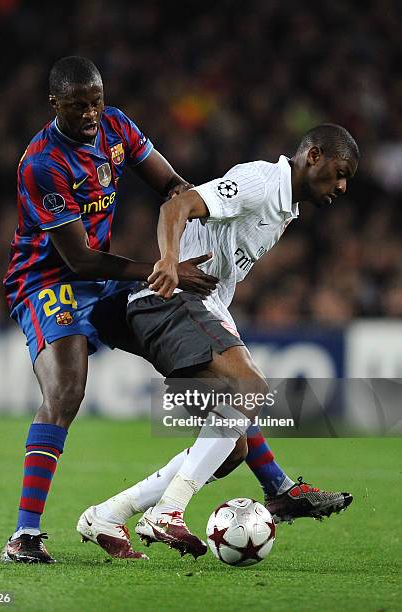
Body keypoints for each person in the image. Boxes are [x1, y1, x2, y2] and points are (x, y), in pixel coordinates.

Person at [78, 123, 358, 559]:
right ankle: (169, 510)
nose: (342, 186)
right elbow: (177, 206)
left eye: (348, 180)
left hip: (193, 309)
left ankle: (109, 514)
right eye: (340, 172)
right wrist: (169, 262)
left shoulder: (284, 210)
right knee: (251, 387)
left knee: (228, 449)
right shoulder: (261, 182)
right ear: (314, 156)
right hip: (168, 300)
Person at [0, 56, 219, 564]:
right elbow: (76, 258)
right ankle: (24, 535)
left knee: (207, 364)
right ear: (55, 104)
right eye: (78, 106)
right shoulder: (41, 164)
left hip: (105, 278)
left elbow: (173, 184)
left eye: (96, 101)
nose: (91, 114)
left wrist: (185, 228)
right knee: (67, 390)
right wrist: (162, 269)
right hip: (47, 281)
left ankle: (275, 483)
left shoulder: (117, 125)